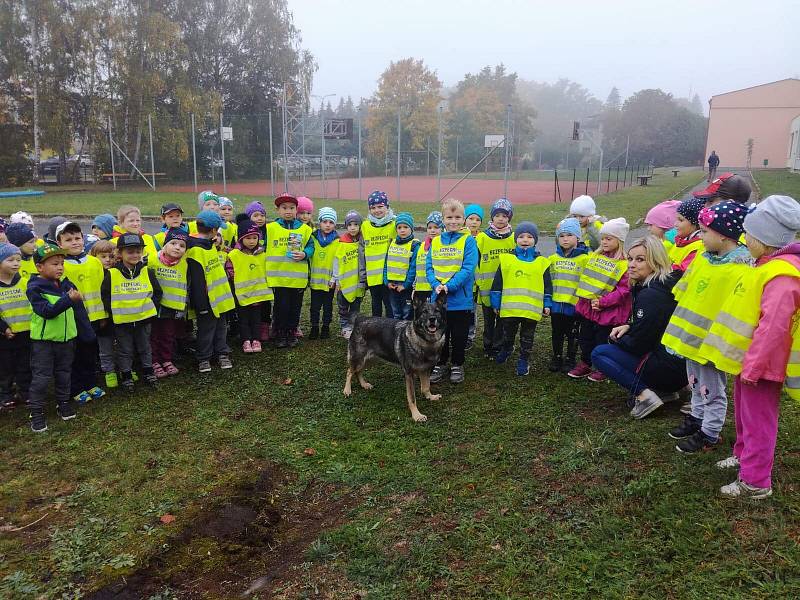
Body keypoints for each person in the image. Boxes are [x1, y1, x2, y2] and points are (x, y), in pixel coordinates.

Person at [699, 195, 800, 499]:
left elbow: (773, 328)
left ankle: (755, 482)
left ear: (767, 239)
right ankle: (743, 455)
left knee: (759, 421)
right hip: (751, 362)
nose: (744, 239)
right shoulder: (767, 265)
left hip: (765, 365)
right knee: (746, 415)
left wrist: (754, 367)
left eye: (750, 235)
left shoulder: (782, 275)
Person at [661, 201, 750, 446]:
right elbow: (685, 289)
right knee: (695, 381)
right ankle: (697, 417)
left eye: (705, 231)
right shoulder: (703, 257)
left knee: (712, 387)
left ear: (723, 235)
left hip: (711, 341)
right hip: (691, 337)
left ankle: (710, 431)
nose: (700, 236)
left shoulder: (740, 268)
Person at [591, 236, 688, 415]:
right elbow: (655, 327)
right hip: (680, 367)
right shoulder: (665, 284)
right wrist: (630, 326)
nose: (631, 265)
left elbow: (640, 344)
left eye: (640, 259)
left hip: (668, 370)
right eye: (630, 258)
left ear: (655, 261)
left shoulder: (650, 295)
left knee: (600, 353)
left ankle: (645, 395)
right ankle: (664, 391)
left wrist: (618, 340)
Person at [26, 244, 94, 433]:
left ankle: (63, 402)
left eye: (62, 263)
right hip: (44, 342)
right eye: (55, 263)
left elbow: (78, 310)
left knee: (64, 373)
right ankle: (36, 411)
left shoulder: (65, 283)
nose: (60, 267)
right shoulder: (35, 287)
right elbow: (47, 312)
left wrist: (87, 333)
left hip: (67, 340)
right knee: (41, 377)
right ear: (40, 267)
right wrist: (68, 300)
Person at [569, 218, 632, 382]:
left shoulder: (624, 264)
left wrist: (603, 302)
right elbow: (587, 280)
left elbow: (623, 290)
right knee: (585, 337)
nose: (604, 241)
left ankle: (603, 367)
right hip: (589, 308)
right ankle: (585, 362)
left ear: (619, 240)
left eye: (609, 238)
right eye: (603, 238)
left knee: (602, 340)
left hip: (607, 312)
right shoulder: (595, 257)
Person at [101, 233, 161, 392]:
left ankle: (148, 371)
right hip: (122, 322)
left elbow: (157, 293)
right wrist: (114, 313)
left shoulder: (147, 272)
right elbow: (106, 296)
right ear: (120, 254)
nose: (134, 255)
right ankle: (126, 375)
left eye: (138, 251)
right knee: (125, 349)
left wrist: (149, 309)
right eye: (130, 252)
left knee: (145, 347)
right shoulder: (112, 274)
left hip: (144, 320)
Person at [428, 198, 478, 385]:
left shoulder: (468, 241)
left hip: (460, 300)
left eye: (458, 217)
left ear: (463, 220)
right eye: (449, 217)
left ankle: (457, 364)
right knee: (440, 335)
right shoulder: (436, 241)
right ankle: (440, 363)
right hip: (438, 298)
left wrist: (450, 285)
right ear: (443, 219)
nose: (453, 221)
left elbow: (468, 268)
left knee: (459, 336)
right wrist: (435, 284)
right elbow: (429, 267)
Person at [490, 221, 551, 376]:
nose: (525, 240)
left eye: (530, 237)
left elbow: (547, 286)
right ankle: (507, 348)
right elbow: (498, 282)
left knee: (527, 337)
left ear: (535, 240)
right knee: (508, 333)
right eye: (521, 236)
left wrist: (547, 304)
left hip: (531, 310)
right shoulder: (506, 260)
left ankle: (524, 359)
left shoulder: (542, 262)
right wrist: (496, 302)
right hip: (510, 309)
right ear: (516, 239)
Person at [58, 221, 107, 403]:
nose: (75, 242)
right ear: (60, 243)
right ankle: (76, 387)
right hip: (74, 320)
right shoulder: (61, 265)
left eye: (77, 238)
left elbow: (102, 290)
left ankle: (91, 383)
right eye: (68, 239)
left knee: (90, 353)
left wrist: (103, 316)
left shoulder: (94, 262)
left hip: (95, 318)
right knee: (75, 355)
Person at [186, 210, 236, 372]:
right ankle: (204, 358)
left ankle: (222, 353)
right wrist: (201, 305)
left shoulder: (208, 245)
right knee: (206, 330)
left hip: (220, 298)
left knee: (221, 327)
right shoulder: (196, 251)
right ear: (214, 230)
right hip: (207, 301)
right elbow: (197, 281)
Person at [264, 194, 313, 348]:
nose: (288, 211)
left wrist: (305, 254)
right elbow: (263, 244)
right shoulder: (270, 228)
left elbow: (311, 246)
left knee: (295, 308)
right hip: (278, 278)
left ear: (296, 210)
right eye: (284, 208)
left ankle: (291, 333)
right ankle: (280, 333)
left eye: (292, 208)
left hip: (297, 279)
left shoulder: (304, 229)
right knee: (281, 307)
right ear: (277, 210)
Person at [546, 218, 590, 373]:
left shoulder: (585, 259)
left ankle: (571, 358)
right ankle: (557, 356)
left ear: (578, 237)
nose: (565, 238)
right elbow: (548, 282)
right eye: (562, 235)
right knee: (556, 332)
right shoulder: (552, 259)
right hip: (557, 305)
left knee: (573, 334)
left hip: (575, 306)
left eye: (569, 235)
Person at [475, 199, 515, 359]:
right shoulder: (482, 237)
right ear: (492, 217)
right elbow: (475, 262)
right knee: (489, 319)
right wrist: (478, 283)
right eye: (497, 215)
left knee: (503, 320)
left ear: (509, 218)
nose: (500, 219)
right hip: (486, 288)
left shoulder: (513, 238)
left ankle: (498, 345)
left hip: (506, 288)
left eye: (504, 216)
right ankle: (487, 345)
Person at [227, 218, 271, 353]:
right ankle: (246, 340)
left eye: (254, 238)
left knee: (256, 318)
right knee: (243, 319)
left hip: (258, 295)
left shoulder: (262, 254)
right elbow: (229, 269)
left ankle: (256, 339)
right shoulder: (234, 254)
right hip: (242, 295)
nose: (252, 241)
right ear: (240, 239)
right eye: (248, 238)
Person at [150, 228, 189, 375]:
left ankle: (166, 360)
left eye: (182, 245)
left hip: (172, 308)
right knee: (153, 336)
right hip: (154, 307)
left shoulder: (185, 263)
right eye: (173, 243)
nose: (177, 247)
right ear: (165, 245)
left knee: (167, 335)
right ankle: (154, 362)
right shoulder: (151, 259)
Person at [0, 243, 31, 410]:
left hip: (26, 333)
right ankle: (6, 394)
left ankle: (25, 392)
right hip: (6, 337)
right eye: (10, 260)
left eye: (18, 259)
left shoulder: (25, 283)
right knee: (6, 367)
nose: (15, 263)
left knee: (25, 365)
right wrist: (4, 328)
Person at [361, 190, 395, 317]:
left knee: (389, 304)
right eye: (373, 207)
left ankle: (391, 331)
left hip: (388, 275)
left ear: (387, 207)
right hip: (373, 275)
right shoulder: (365, 226)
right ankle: (376, 332)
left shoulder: (394, 224)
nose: (377, 210)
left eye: (380, 206)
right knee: (375, 305)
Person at [333, 211, 366, 339]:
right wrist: (336, 279)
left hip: (358, 283)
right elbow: (336, 261)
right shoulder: (341, 242)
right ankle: (344, 326)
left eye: (356, 224)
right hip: (344, 283)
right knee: (343, 307)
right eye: (350, 224)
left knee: (355, 307)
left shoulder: (363, 242)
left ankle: (352, 326)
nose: (353, 227)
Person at [89, 240, 118, 387]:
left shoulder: (117, 272)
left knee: (122, 343)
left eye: (111, 256)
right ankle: (108, 370)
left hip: (118, 315)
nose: (107, 260)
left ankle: (124, 366)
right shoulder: (93, 274)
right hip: (102, 316)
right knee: (105, 345)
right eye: (103, 256)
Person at [308, 207, 339, 338]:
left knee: (327, 306)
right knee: (314, 307)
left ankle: (325, 327)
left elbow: (338, 261)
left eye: (331, 222)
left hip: (328, 282)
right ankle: (314, 327)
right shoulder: (312, 238)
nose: (327, 225)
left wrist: (334, 278)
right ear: (319, 222)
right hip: (315, 281)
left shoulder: (338, 241)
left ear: (335, 225)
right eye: (325, 221)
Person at [384, 212, 420, 320]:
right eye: (399, 227)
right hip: (392, 286)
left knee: (406, 313)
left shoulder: (414, 246)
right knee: (395, 312)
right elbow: (386, 264)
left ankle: (405, 334)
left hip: (405, 287)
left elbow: (413, 269)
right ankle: (395, 334)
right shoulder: (392, 243)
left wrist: (405, 285)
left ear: (411, 229)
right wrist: (387, 282)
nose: (402, 230)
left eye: (406, 227)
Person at [413, 211, 443, 305]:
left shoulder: (444, 248)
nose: (432, 230)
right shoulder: (421, 247)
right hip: (421, 290)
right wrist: (414, 288)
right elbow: (417, 270)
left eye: (436, 227)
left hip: (435, 290)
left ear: (443, 228)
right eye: (429, 227)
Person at [669, 198, 704, 273]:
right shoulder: (681, 241)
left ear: (695, 224)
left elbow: (681, 272)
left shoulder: (698, 247)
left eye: (681, 220)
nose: (675, 224)